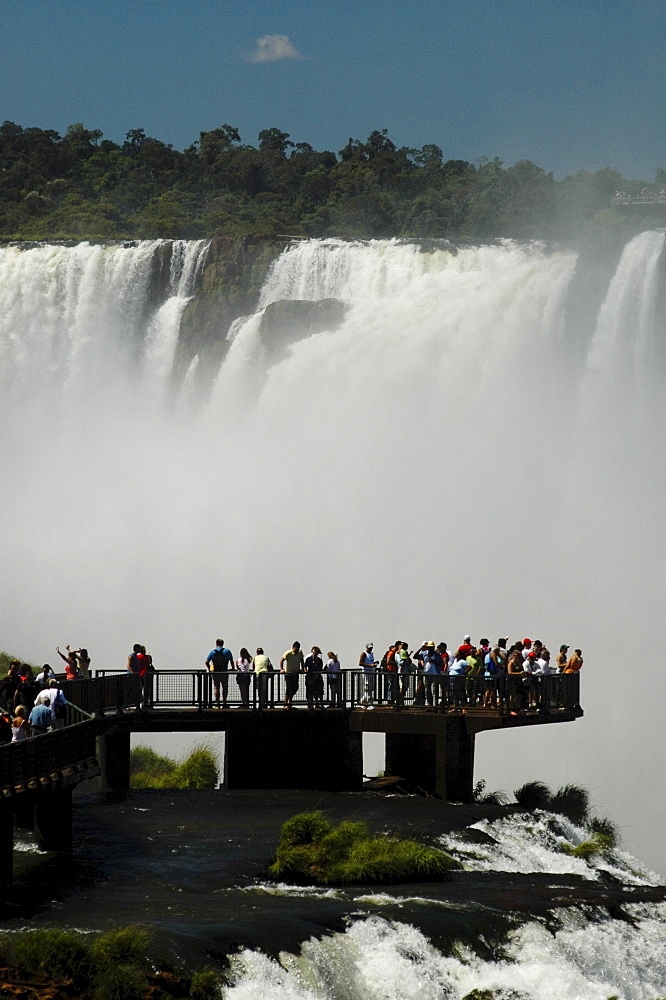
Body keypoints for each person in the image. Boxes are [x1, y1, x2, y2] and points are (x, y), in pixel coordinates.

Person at [205, 639, 234, 708]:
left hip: (215, 673)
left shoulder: (213, 652)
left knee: (216, 687)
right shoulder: (227, 651)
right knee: (225, 687)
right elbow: (231, 661)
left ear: (216, 644)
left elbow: (206, 662)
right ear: (223, 644)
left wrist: (209, 668)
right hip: (224, 672)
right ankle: (224, 702)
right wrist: (232, 668)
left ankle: (217, 703)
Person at [280, 641, 304, 710]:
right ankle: (286, 703)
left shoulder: (300, 652)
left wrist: (303, 668)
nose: (297, 651)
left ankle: (289, 702)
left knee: (295, 687)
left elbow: (302, 660)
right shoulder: (288, 653)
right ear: (293, 648)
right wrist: (282, 669)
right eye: (296, 649)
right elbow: (282, 660)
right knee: (289, 688)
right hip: (289, 673)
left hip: (296, 673)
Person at [304, 646, 324, 710]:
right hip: (309, 676)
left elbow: (319, 670)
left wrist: (314, 679)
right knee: (310, 692)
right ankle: (310, 704)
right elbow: (305, 666)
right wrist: (306, 671)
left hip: (317, 678)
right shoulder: (308, 659)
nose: (315, 653)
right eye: (314, 652)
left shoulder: (319, 660)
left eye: (316, 652)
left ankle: (318, 703)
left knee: (318, 691)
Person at [359, 643, 377, 707]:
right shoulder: (363, 654)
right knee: (367, 686)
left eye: (371, 648)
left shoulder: (371, 654)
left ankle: (363, 701)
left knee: (371, 687)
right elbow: (360, 663)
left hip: (371, 671)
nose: (370, 649)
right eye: (369, 648)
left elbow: (371, 661)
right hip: (366, 672)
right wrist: (370, 665)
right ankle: (369, 703)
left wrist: (374, 664)